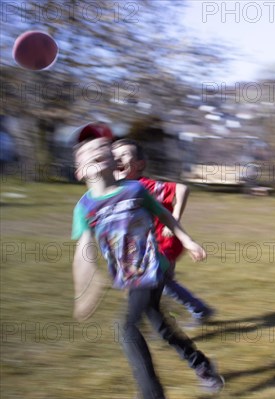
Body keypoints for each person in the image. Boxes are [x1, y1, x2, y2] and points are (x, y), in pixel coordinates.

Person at [71, 136, 224, 398]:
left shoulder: (135, 190)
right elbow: (83, 250)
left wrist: (187, 241)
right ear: (79, 171)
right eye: (88, 152)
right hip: (130, 278)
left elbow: (163, 214)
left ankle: (152, 394)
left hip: (154, 268)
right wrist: (83, 291)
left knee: (127, 328)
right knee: (162, 328)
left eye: (102, 150)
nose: (96, 152)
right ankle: (204, 366)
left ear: (113, 163)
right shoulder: (84, 207)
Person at [111, 138, 215, 323]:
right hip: (149, 247)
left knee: (158, 282)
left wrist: (173, 219)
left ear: (140, 164)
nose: (118, 159)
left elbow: (182, 189)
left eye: (124, 155)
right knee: (156, 284)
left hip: (166, 242)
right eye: (114, 156)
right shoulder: (118, 190)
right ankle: (152, 320)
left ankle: (198, 309)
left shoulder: (145, 186)